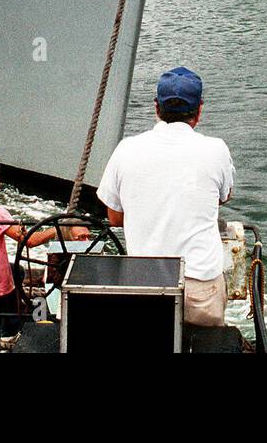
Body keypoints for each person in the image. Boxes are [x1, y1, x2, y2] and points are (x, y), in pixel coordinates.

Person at [97, 67, 235, 328]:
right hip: (201, 284)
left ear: (156, 108)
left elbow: (114, 217)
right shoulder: (216, 149)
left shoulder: (127, 149)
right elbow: (223, 196)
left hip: (145, 283)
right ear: (199, 110)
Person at [0, 152, 82, 353]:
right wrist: (58, 226)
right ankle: (1, 336)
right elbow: (31, 241)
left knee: (18, 271)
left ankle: (11, 330)